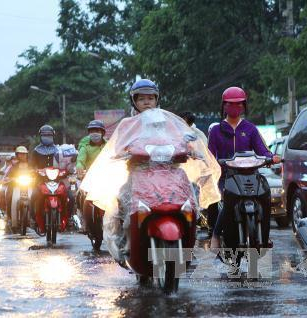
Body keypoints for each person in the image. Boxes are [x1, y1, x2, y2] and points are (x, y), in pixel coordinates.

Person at [81, 79, 221, 264]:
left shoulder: (169, 121)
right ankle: (123, 244)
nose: (147, 102)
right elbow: (119, 145)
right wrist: (122, 152)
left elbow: (182, 138)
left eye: (150, 98)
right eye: (142, 99)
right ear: (134, 102)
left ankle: (187, 245)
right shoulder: (127, 124)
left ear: (157, 100)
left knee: (190, 203)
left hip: (171, 172)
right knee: (120, 205)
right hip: (138, 173)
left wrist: (191, 148)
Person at [208, 86, 281, 247]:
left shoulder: (250, 128)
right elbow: (210, 155)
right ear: (224, 106)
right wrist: (210, 163)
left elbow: (262, 150)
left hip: (251, 175)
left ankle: (264, 234)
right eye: (231, 104)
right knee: (228, 200)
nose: (235, 107)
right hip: (226, 176)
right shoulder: (216, 130)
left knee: (265, 195)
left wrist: (272, 158)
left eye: (240, 104)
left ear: (244, 106)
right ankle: (215, 235)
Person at [29, 125, 62, 231]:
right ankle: (33, 219)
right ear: (40, 136)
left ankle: (68, 219)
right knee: (33, 196)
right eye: (44, 135)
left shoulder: (59, 150)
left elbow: (63, 163)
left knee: (69, 195)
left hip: (56, 180)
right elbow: (31, 166)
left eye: (49, 135)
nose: (46, 137)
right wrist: (33, 171)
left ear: (53, 136)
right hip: (40, 180)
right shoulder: (36, 151)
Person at [4, 146, 30, 229]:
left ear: (26, 155)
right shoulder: (14, 166)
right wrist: (9, 179)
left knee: (38, 196)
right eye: (20, 154)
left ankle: (35, 218)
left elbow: (36, 173)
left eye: (23, 154)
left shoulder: (31, 165)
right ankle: (10, 217)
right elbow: (8, 176)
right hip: (16, 186)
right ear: (17, 155)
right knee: (9, 196)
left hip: (30, 186)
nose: (22, 156)